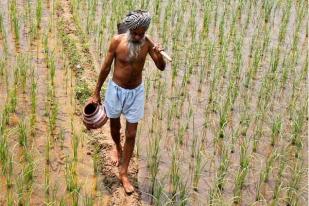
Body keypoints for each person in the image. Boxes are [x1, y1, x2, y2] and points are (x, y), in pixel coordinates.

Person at [89, 10, 166, 194]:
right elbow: (106, 67)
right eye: (136, 33)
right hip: (116, 90)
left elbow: (161, 67)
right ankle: (117, 147)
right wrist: (96, 92)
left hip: (136, 93)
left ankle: (123, 173)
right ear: (130, 29)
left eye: (142, 33)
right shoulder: (117, 41)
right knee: (115, 127)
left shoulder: (147, 43)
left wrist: (159, 54)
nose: (139, 36)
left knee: (131, 134)